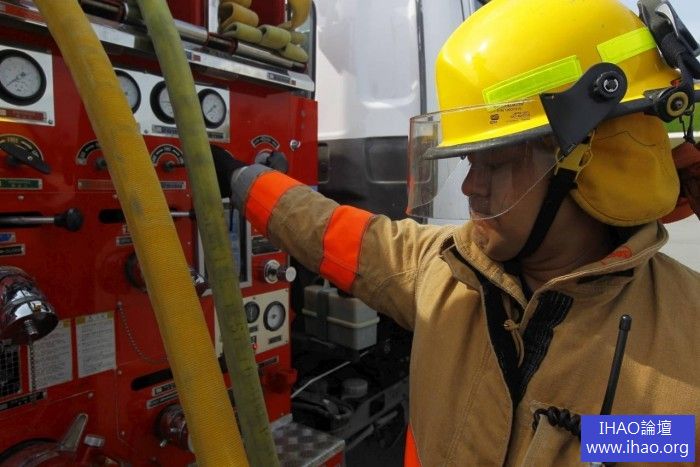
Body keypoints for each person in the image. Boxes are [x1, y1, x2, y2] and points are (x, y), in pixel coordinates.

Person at [213, 0, 700, 464]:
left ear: (586, 163)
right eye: (469, 161)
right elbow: (330, 230)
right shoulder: (443, 269)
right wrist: (239, 176)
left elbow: (671, 441)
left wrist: (606, 438)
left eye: (495, 162)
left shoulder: (688, 342)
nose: (469, 186)